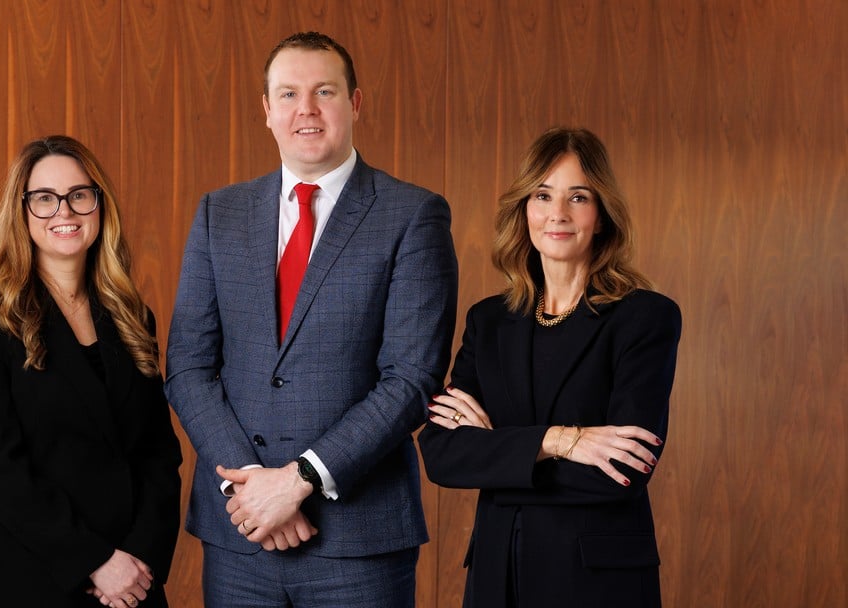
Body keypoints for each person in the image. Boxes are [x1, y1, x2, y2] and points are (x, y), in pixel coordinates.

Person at [165, 31, 458, 607]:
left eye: (325, 91)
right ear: (266, 109)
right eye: (289, 94)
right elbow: (187, 367)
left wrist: (298, 480)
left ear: (355, 102)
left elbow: (411, 379)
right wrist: (252, 489)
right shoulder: (219, 212)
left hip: (359, 542)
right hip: (240, 534)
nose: (307, 109)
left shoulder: (412, 214)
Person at [418, 127, 682, 607]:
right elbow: (441, 453)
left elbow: (622, 470)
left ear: (601, 216)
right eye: (543, 195)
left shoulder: (645, 318)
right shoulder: (489, 321)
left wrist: (497, 452)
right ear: (525, 210)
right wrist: (559, 441)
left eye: (578, 197)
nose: (557, 213)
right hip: (498, 577)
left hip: (597, 584)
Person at [0, 135, 182, 608]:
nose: (64, 211)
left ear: (99, 204)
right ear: (22, 211)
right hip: (26, 570)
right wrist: (94, 560)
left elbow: (158, 454)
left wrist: (139, 558)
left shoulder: (133, 318)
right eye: (44, 199)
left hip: (130, 578)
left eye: (79, 195)